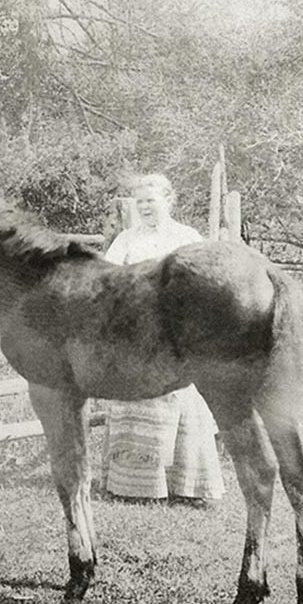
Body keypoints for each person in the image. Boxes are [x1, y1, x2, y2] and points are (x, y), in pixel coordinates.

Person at [100, 173, 226, 503]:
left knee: (180, 401)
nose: (144, 207)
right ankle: (131, 485)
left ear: (169, 201)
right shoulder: (126, 240)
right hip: (135, 334)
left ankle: (186, 486)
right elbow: (107, 281)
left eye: (150, 200)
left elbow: (206, 282)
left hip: (176, 334)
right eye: (139, 201)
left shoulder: (187, 237)